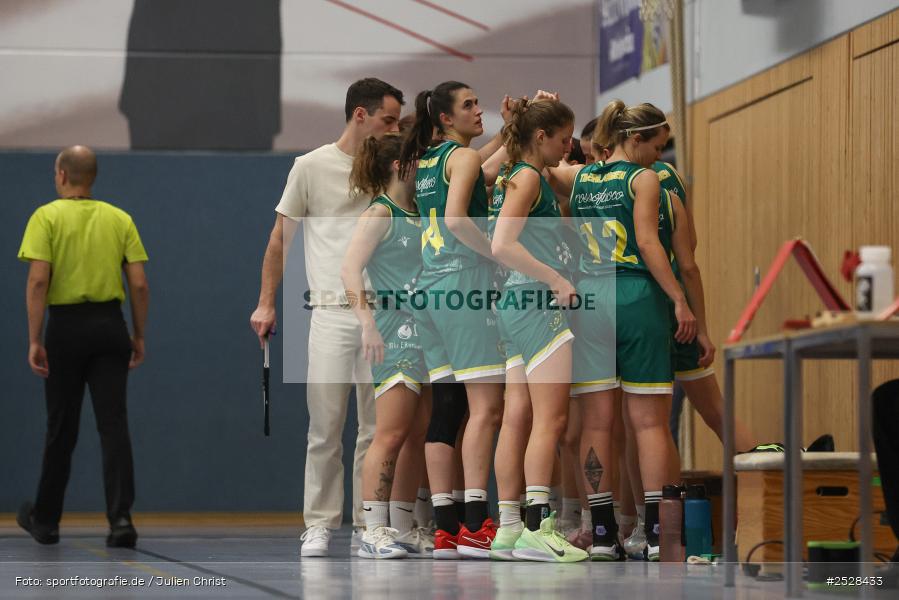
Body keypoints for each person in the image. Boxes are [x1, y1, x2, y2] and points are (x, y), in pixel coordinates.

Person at [249, 78, 404, 557]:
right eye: (388, 120)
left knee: (377, 429)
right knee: (326, 427)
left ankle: (368, 525)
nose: (394, 129)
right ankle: (319, 522)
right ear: (360, 114)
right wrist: (267, 301)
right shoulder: (310, 167)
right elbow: (279, 238)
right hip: (332, 314)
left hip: (389, 316)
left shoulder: (394, 168)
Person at [564, 100, 704, 561]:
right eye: (657, 147)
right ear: (635, 138)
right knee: (648, 423)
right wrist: (680, 299)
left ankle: (601, 531)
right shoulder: (643, 179)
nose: (658, 158)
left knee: (596, 422)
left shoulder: (582, 177)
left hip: (588, 299)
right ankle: (655, 533)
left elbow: (538, 171)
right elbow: (647, 241)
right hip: (636, 295)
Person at [16, 145, 149, 548]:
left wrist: (35, 339)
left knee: (61, 427)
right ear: (92, 177)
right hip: (110, 325)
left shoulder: (46, 216)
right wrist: (137, 335)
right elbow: (139, 284)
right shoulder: (119, 218)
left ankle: (47, 521)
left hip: (65, 329)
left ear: (61, 174)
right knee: (113, 425)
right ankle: (121, 519)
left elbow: (39, 280)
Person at [400, 81, 506, 559]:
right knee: (487, 409)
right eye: (469, 105)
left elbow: (476, 168)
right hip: (464, 284)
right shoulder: (459, 159)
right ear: (445, 118)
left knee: (448, 410)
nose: (478, 110)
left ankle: (445, 527)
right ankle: (478, 523)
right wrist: (501, 255)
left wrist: (507, 134)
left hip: (429, 290)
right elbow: (461, 219)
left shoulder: (428, 162)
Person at [488, 97, 588, 562]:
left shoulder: (525, 174)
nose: (571, 146)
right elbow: (502, 243)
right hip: (534, 299)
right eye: (564, 138)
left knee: (519, 417)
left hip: (514, 301)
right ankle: (538, 527)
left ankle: (510, 529)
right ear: (540, 137)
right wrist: (555, 277)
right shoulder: (528, 178)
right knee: (552, 420)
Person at [341, 133, 433, 559]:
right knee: (390, 432)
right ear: (400, 165)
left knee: (417, 434)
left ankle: (402, 525)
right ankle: (371, 529)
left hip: (431, 331)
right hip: (395, 330)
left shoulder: (420, 210)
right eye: (418, 158)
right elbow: (349, 270)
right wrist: (367, 325)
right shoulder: (381, 212)